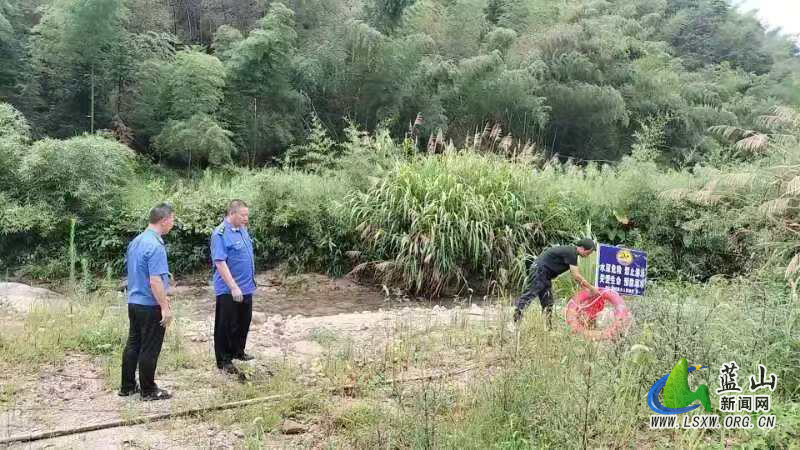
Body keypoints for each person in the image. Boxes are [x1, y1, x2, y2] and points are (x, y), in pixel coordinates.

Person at [119, 203, 175, 401]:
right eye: (172, 220)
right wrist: (165, 307)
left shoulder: (136, 241)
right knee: (150, 347)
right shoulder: (156, 245)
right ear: (164, 220)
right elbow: (155, 280)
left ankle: (127, 387)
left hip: (133, 302)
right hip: (149, 304)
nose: (173, 224)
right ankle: (148, 390)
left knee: (133, 344)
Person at [211, 199, 256, 374]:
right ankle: (224, 360)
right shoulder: (220, 234)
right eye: (243, 215)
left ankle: (238, 351)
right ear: (232, 214)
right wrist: (233, 287)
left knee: (243, 321)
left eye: (247, 215)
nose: (246, 218)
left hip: (247, 287)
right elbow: (220, 262)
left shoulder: (243, 229)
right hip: (229, 289)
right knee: (226, 324)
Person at [513, 238, 598, 328]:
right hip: (540, 271)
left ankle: (548, 327)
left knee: (548, 302)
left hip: (545, 275)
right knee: (529, 295)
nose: (587, 255)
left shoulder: (571, 252)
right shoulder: (571, 253)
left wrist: (586, 289)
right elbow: (576, 275)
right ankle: (515, 321)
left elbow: (575, 277)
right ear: (581, 248)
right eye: (588, 253)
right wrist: (592, 288)